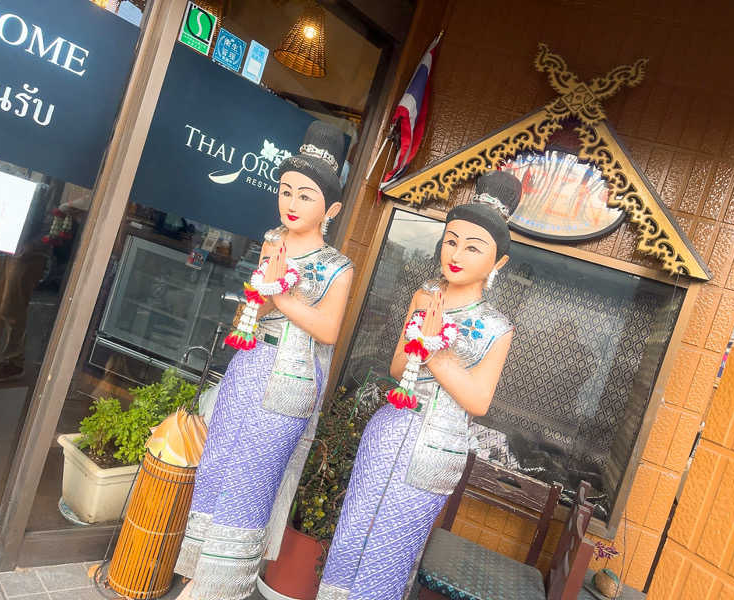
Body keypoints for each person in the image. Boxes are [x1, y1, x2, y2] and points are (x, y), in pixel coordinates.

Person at [317, 170, 521, 600]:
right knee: (353, 532)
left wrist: (434, 352)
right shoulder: (425, 295)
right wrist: (417, 346)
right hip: (390, 429)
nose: (457, 253)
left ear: (498, 262)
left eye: (472, 246)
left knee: (391, 551)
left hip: (435, 448)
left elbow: (478, 402)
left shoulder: (496, 328)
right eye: (451, 240)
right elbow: (396, 366)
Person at [174, 121, 353, 600]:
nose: (292, 203)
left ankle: (222, 587)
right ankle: (197, 577)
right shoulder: (273, 241)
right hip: (247, 369)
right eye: (286, 191)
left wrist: (282, 295)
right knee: (216, 469)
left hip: (290, 381)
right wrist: (256, 299)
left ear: (330, 208)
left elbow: (329, 330)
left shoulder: (338, 266)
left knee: (251, 482)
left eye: (306, 196)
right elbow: (250, 307)